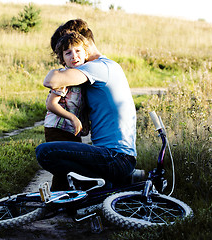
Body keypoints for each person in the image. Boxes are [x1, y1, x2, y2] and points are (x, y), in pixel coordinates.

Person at [36, 19, 137, 190]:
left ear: (82, 43)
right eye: (65, 52)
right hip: (119, 157)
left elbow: (52, 81)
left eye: (73, 48)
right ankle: (101, 187)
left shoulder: (96, 68)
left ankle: (91, 185)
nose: (71, 56)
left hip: (115, 158)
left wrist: (59, 71)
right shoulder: (108, 65)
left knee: (45, 152)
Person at [44, 32, 90, 143]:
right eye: (68, 53)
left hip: (71, 129)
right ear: (63, 59)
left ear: (86, 54)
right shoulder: (63, 77)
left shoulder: (84, 75)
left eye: (78, 51)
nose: (74, 56)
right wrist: (73, 118)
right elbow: (51, 104)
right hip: (57, 128)